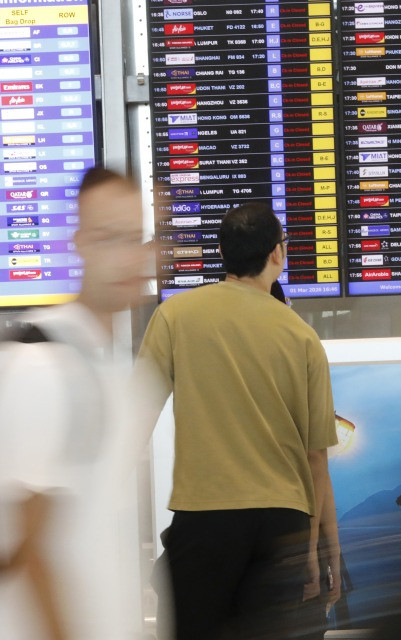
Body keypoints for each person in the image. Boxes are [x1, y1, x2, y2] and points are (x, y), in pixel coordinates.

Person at [137, 202, 340, 639]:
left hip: (205, 519)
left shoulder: (175, 314)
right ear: (277, 253)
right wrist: (313, 550)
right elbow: (316, 458)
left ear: (222, 253)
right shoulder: (302, 336)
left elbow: (134, 421)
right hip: (282, 523)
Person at [0, 167, 151, 639]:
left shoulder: (115, 370)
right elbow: (27, 552)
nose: (128, 257)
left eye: (135, 239)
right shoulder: (45, 364)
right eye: (109, 239)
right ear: (80, 243)